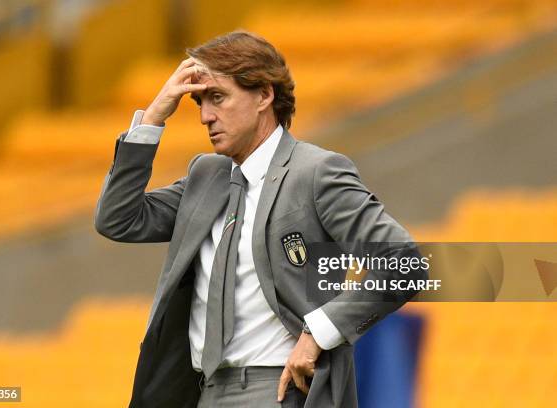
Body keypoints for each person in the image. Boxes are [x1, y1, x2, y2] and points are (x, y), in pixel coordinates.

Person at [95, 31, 425, 408]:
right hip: (201, 392)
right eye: (200, 102)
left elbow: (404, 263)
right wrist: (153, 117)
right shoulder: (207, 175)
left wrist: (319, 333)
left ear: (264, 96)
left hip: (279, 389)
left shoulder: (316, 172)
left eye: (217, 98)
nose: (205, 116)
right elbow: (118, 219)